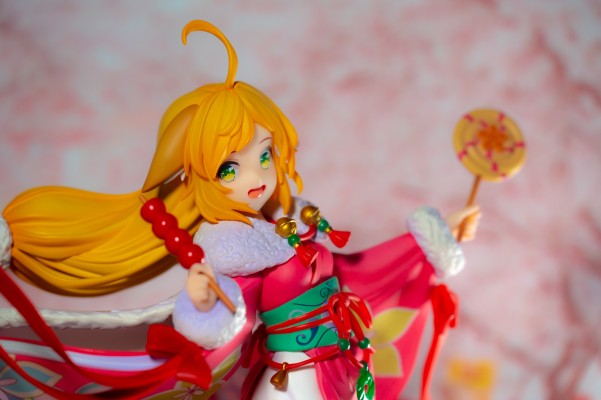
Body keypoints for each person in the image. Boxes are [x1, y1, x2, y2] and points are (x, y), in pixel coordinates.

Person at [0, 20, 480, 399]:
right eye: (230, 168)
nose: (256, 176)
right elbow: (230, 318)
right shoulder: (232, 247)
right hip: (291, 379)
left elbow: (356, 271)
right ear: (199, 176)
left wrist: (431, 243)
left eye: (264, 156)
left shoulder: (288, 226)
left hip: (340, 367)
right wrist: (204, 304)